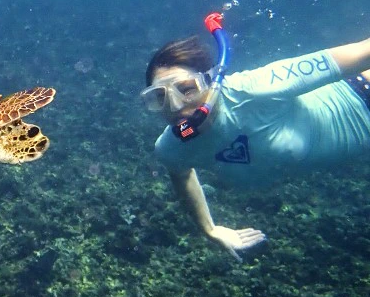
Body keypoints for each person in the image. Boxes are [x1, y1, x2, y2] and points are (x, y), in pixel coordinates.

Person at [142, 26, 370, 259]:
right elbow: (182, 174)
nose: (176, 105)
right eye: (159, 97)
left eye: (187, 89)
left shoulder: (259, 86)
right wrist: (210, 229)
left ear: (212, 81)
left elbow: (364, 51)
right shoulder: (171, 148)